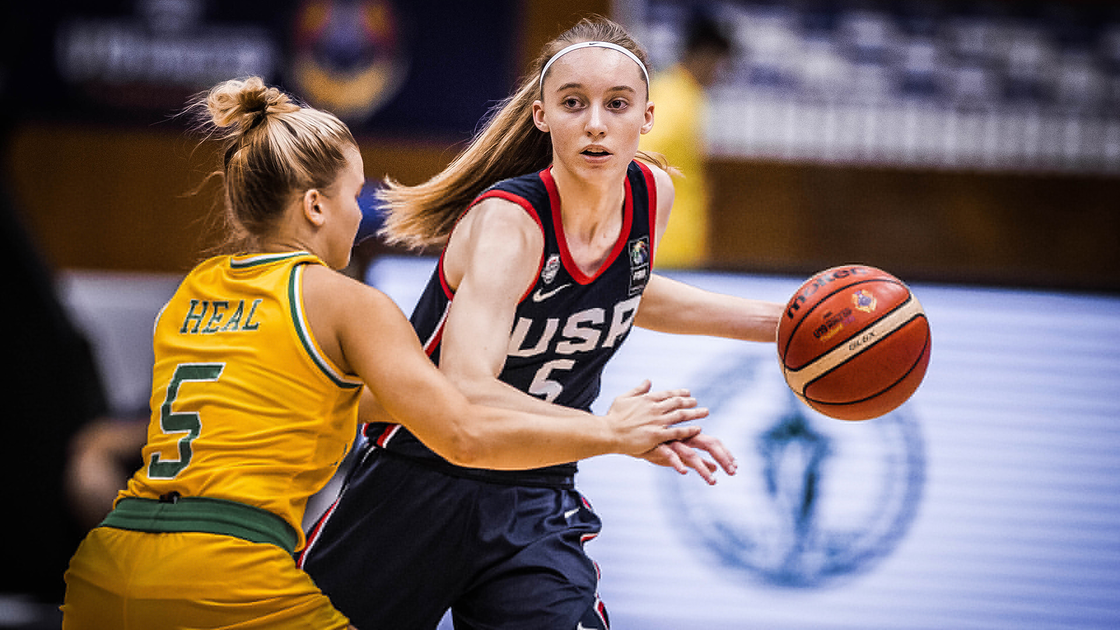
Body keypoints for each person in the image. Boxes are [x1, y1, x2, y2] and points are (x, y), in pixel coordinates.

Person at [59, 76, 713, 630]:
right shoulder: (347, 303)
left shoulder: (189, 296)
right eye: (353, 196)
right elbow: (461, 432)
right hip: (224, 571)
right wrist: (612, 432)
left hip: (109, 563)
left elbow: (333, 402)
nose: (359, 215)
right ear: (315, 206)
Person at [300, 15, 783, 630]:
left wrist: (780, 323)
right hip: (418, 479)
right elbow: (467, 390)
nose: (596, 123)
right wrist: (610, 431)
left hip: (536, 488)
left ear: (646, 117)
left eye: (616, 104)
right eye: (574, 103)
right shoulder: (509, 222)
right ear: (542, 115)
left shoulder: (651, 194)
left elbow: (625, 289)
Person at [638, 11, 733, 269]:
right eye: (720, 64)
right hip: (666, 244)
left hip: (674, 240)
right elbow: (640, 157)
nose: (720, 75)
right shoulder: (676, 98)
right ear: (705, 56)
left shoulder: (683, 94)